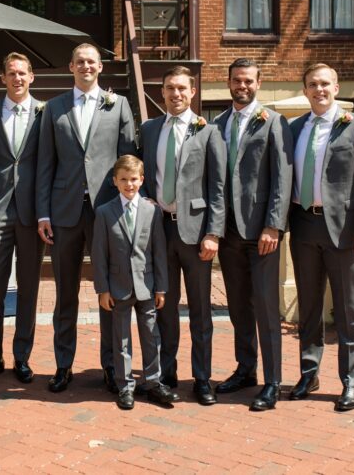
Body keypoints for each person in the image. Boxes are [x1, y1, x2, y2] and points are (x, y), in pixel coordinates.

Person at [36, 42, 137, 394]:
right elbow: (45, 163)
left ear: (100, 67)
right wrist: (43, 212)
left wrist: (127, 207)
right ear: (71, 67)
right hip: (64, 212)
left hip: (106, 211)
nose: (86, 67)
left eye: (91, 61)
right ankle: (63, 365)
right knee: (66, 293)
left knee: (109, 290)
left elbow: (128, 159)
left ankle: (111, 365)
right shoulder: (54, 108)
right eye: (79, 62)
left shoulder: (118, 105)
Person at [288, 63, 354, 412]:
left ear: (336, 87)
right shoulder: (294, 128)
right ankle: (309, 373)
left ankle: (351, 381)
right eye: (313, 84)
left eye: (325, 83)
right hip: (303, 226)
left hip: (344, 231)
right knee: (309, 307)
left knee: (348, 309)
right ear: (305, 90)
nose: (319, 90)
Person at [139, 66, 226, 406]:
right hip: (160, 230)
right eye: (169, 88)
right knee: (164, 306)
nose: (175, 94)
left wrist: (213, 233)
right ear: (162, 92)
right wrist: (144, 197)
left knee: (201, 310)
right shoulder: (149, 130)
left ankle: (202, 378)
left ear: (192, 92)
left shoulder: (208, 131)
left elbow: (217, 187)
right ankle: (167, 373)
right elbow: (140, 172)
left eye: (181, 88)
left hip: (196, 233)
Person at [213, 58, 293, 411]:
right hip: (227, 231)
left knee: (265, 307)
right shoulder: (217, 124)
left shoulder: (273, 122)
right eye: (236, 80)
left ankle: (272, 381)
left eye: (248, 80)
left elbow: (282, 178)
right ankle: (246, 368)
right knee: (238, 307)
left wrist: (273, 224)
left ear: (258, 83)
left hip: (262, 231)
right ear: (229, 82)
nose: (241, 86)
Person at [0, 53, 46, 384]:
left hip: (31, 213)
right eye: (11, 73)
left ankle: (22, 357)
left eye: (22, 73)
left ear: (31, 77)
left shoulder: (45, 112)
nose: (17, 78)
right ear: (3, 78)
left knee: (29, 286)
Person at [92, 155, 178, 410]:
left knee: (151, 336)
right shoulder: (104, 213)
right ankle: (125, 386)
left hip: (147, 285)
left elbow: (159, 252)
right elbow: (99, 255)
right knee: (121, 339)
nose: (129, 184)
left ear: (141, 180)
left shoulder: (152, 211)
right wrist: (102, 289)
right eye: (123, 180)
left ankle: (153, 383)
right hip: (117, 286)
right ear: (115, 181)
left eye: (133, 179)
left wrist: (161, 287)